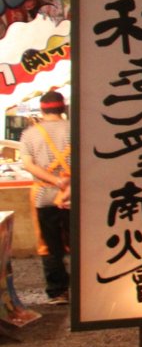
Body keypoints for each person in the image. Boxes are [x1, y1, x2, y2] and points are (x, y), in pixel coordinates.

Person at [20, 90, 71, 305]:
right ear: (63, 108)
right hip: (73, 194)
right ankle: (85, 291)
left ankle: (58, 291)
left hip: (43, 194)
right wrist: (67, 184)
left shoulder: (30, 133)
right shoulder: (75, 129)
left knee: (49, 245)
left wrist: (53, 180)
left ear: (41, 109)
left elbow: (28, 164)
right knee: (80, 241)